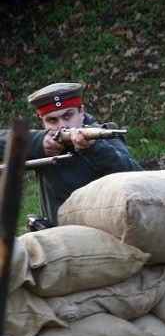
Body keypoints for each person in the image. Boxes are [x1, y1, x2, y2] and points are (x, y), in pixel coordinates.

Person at [0, 82, 142, 228]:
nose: (62, 126)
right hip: (58, 235)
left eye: (68, 116)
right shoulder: (42, 142)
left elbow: (138, 180)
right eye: (52, 120)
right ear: (42, 121)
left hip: (103, 232)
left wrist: (94, 149)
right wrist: (36, 142)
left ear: (81, 111)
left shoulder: (103, 135)